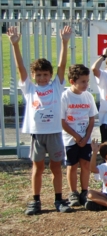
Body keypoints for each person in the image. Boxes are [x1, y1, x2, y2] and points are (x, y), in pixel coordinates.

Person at [7, 26, 72, 215]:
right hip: (37, 134)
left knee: (56, 167)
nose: (42, 78)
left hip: (54, 133)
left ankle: (59, 199)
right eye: (38, 75)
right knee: (38, 167)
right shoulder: (29, 88)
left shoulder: (57, 87)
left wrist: (64, 42)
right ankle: (35, 201)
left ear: (50, 76)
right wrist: (15, 45)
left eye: (45, 74)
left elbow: (62, 66)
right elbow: (20, 67)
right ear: (33, 75)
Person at [61, 64, 99, 207]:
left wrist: (86, 137)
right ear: (72, 81)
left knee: (85, 164)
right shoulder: (65, 96)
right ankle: (73, 192)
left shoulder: (88, 96)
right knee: (72, 165)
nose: (86, 84)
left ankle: (84, 191)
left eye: (87, 81)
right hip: (70, 139)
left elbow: (91, 119)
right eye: (82, 81)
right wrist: (77, 137)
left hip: (85, 138)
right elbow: (62, 121)